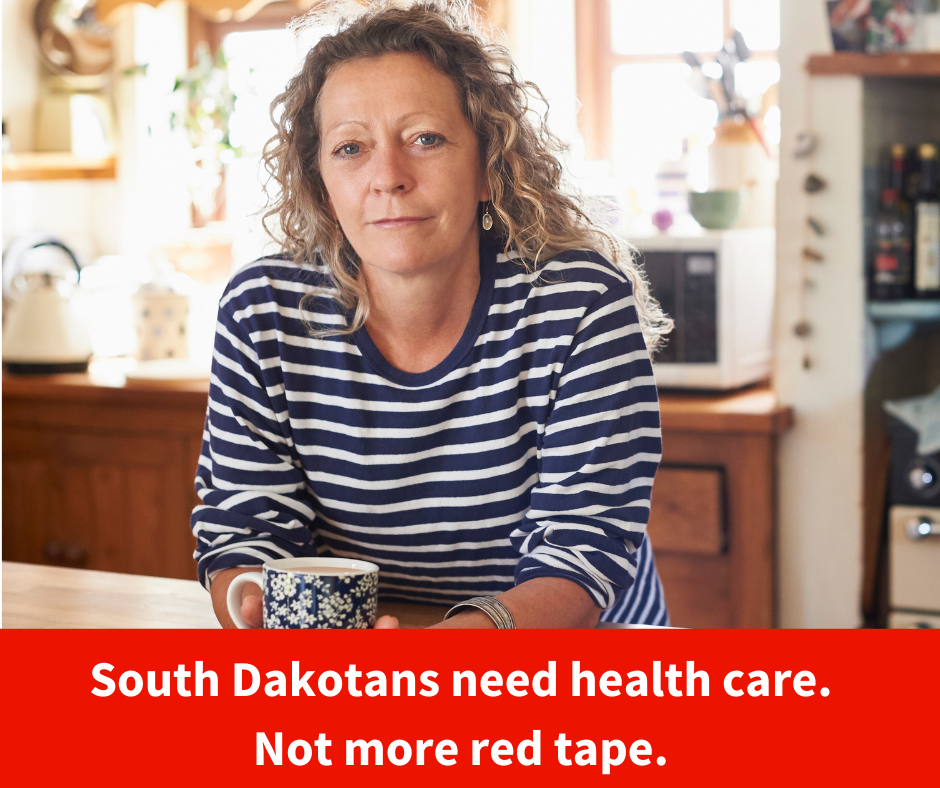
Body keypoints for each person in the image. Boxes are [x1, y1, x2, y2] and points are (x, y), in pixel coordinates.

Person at [191, 0, 672, 629]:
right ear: (322, 184)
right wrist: (260, 611)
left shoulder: (580, 303)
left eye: (425, 138)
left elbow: (580, 552)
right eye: (350, 148)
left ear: (487, 166)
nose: (387, 177)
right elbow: (244, 525)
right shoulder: (262, 311)